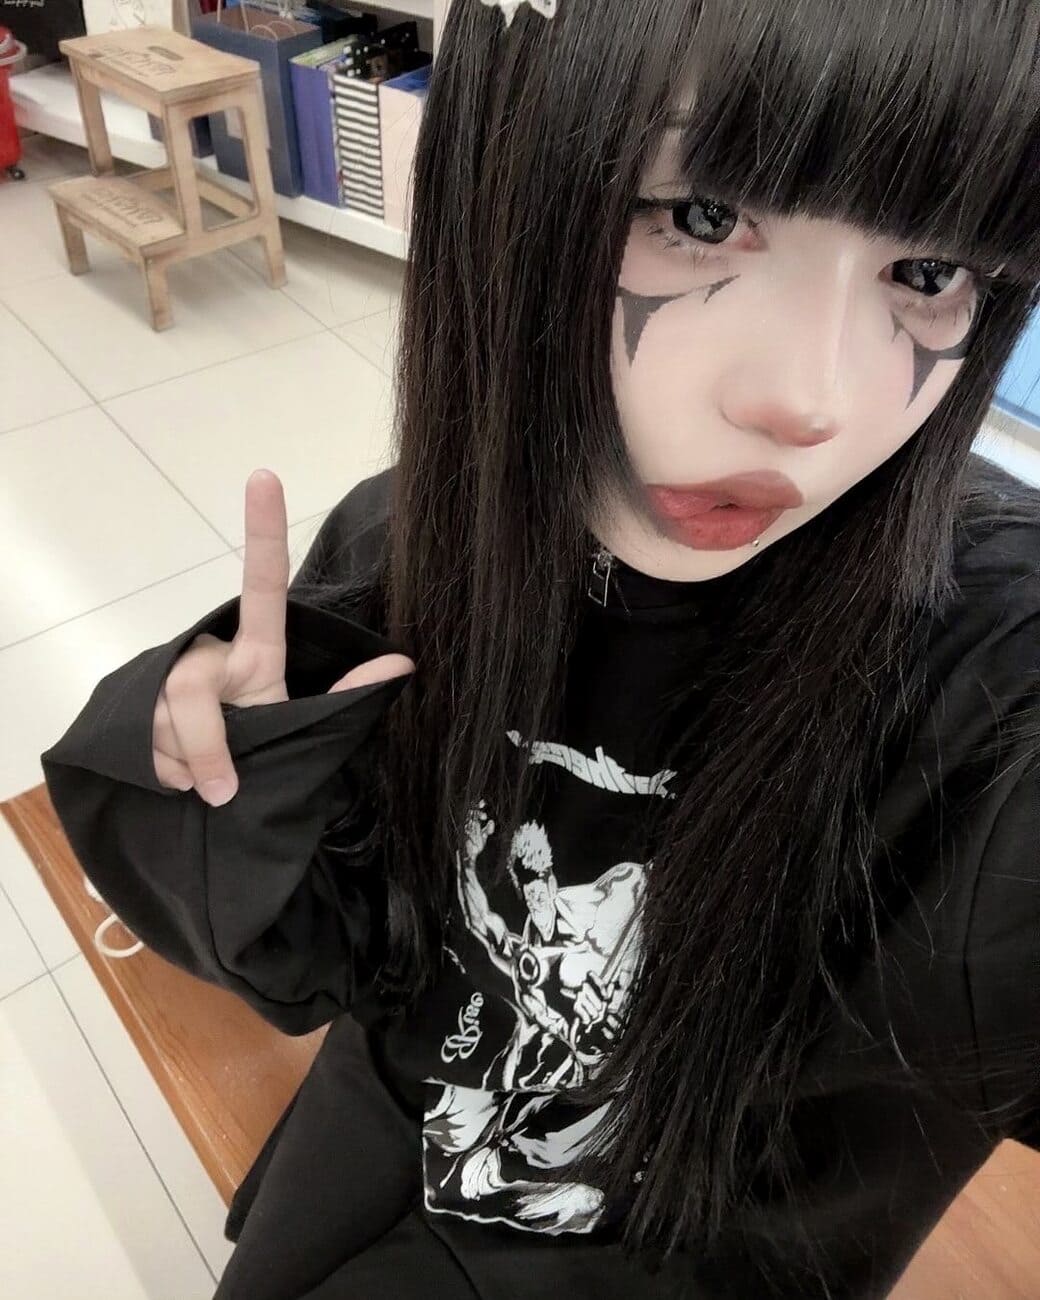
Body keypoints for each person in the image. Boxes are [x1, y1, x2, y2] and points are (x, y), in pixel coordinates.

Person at [40, 0, 1040, 1296]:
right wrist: (240, 774)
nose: (810, 400)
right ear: (512, 176)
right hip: (381, 1174)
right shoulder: (410, 544)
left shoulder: (988, 665)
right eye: (702, 216)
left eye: (929, 273)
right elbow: (339, 955)